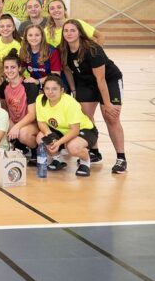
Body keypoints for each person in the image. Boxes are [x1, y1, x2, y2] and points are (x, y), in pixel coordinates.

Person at [61, 19, 127, 173]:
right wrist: (74, 90)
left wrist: (108, 104)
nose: (69, 33)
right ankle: (94, 151)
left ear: (80, 33)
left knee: (111, 117)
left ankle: (121, 158)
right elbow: (66, 70)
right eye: (66, 30)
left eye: (73, 30)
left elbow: (101, 79)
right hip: (85, 82)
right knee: (85, 117)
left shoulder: (92, 49)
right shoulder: (63, 49)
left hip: (108, 80)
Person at [35, 75, 98, 177]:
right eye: (47, 88)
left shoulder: (69, 103)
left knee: (73, 147)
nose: (50, 92)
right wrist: (50, 136)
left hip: (85, 130)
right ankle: (57, 159)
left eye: (54, 89)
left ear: (62, 90)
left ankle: (85, 161)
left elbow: (75, 130)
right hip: (61, 130)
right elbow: (41, 122)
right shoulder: (40, 100)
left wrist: (58, 142)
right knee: (41, 138)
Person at [0, 54, 40, 164]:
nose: (9, 70)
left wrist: (16, 127)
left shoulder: (29, 86)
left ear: (19, 68)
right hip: (15, 122)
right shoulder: (5, 86)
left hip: (31, 124)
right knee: (0, 121)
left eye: (13, 67)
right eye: (6, 67)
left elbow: (32, 115)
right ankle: (21, 147)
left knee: (23, 133)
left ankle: (36, 151)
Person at [0, 14, 22, 87]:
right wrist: (1, 88)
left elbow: (23, 67)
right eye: (2, 26)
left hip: (21, 79)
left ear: (13, 28)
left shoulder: (21, 43)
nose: (5, 28)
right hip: (4, 79)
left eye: (8, 26)